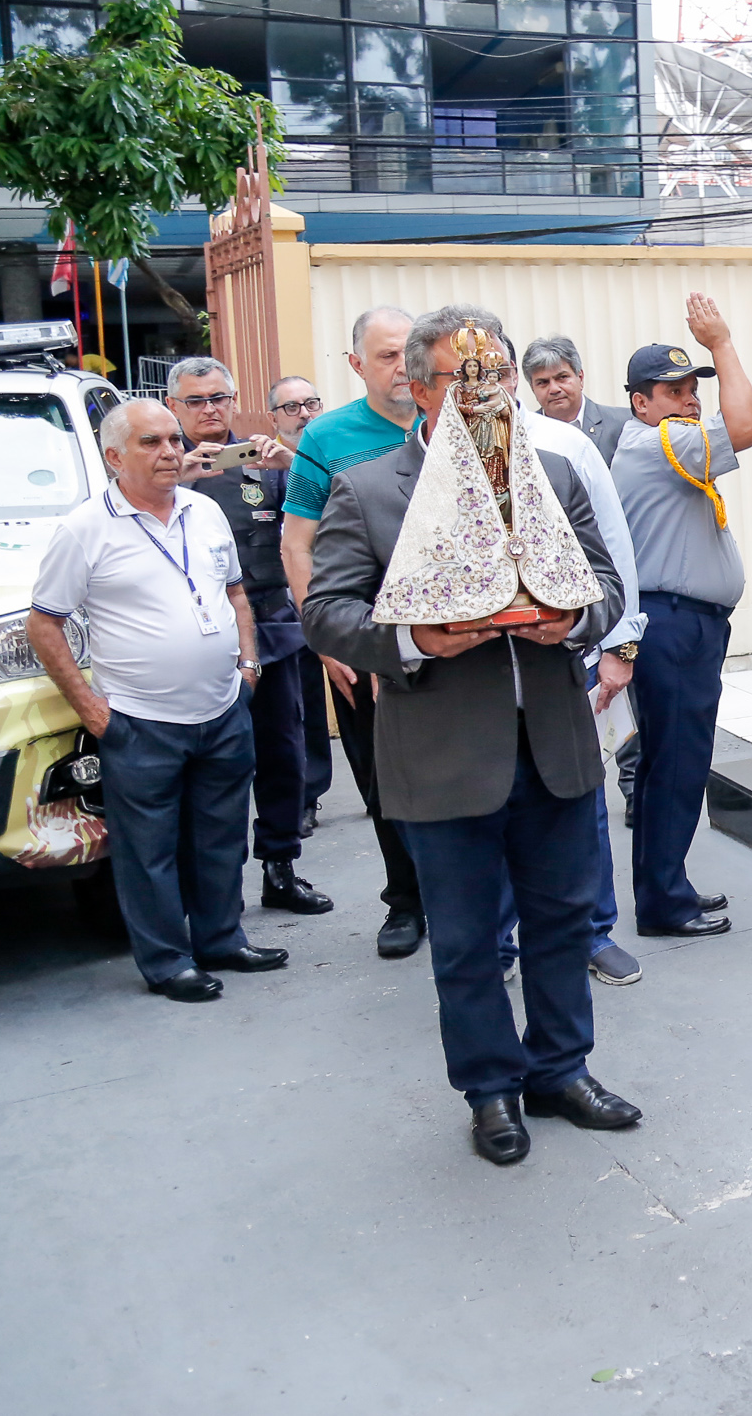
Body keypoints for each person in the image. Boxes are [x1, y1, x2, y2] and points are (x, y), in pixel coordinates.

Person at [302, 306, 637, 1166]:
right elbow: (327, 612)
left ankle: (560, 1069)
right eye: (465, 378)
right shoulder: (371, 489)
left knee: (563, 922)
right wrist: (417, 637)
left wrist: (572, 621)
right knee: (465, 940)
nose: (487, 395)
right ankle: (489, 1088)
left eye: (498, 376)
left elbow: (604, 586)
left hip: (555, 746)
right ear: (418, 388)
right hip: (445, 760)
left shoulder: (551, 476)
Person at [26, 400, 286, 1002]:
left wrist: (247, 667)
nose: (170, 452)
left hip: (222, 708)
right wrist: (93, 709)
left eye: (173, 440)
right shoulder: (84, 529)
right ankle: (168, 962)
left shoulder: (204, 510)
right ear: (114, 457)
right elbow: (44, 624)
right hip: (141, 720)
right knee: (149, 852)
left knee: (222, 836)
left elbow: (235, 593)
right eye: (152, 442)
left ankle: (222, 939)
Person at [491, 327, 649, 986]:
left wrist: (620, 645)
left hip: (566, 663)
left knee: (578, 801)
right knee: (487, 806)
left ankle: (592, 931)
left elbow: (613, 550)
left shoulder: (564, 446)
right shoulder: (428, 463)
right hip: (473, 674)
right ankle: (496, 942)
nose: (482, 386)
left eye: (495, 369)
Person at [281, 307, 430, 960]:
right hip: (365, 644)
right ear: (356, 365)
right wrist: (332, 643)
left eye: (409, 354)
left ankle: (470, 896)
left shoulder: (454, 425)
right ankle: (406, 900)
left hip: (455, 636)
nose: (401, 367)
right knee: (382, 778)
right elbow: (297, 542)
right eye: (386, 355)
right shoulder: (328, 437)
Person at [613, 294, 752, 940]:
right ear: (640, 402)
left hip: (678, 621)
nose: (688, 399)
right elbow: (748, 426)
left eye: (691, 388)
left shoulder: (661, 443)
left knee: (668, 764)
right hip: (673, 623)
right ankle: (663, 902)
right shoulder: (659, 442)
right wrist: (721, 344)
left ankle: (665, 888)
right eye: (671, 390)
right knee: (675, 764)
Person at [167, 357, 332, 916]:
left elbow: (321, 525)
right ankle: (214, 888)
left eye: (219, 398)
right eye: (196, 401)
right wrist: (176, 479)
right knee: (212, 765)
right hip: (195, 637)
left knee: (282, 753)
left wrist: (296, 463)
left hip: (269, 627)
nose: (209, 409)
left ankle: (281, 867)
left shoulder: (263, 463)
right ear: (174, 407)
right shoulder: (160, 473)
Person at [269, 376, 334, 836]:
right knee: (300, 703)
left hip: (335, 591)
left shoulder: (322, 453)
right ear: (273, 417)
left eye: (310, 402)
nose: (303, 413)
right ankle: (305, 797)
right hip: (282, 601)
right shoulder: (259, 462)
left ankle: (374, 788)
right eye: (290, 407)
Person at [524, 336, 633, 465]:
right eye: (543, 382)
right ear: (532, 388)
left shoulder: (624, 424)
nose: (554, 389)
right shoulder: (524, 435)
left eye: (562, 377)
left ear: (580, 378)